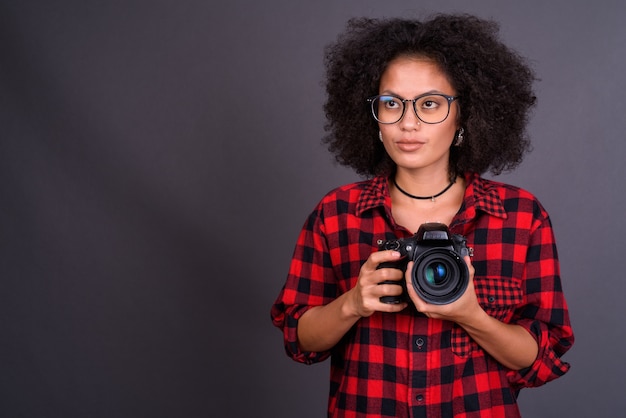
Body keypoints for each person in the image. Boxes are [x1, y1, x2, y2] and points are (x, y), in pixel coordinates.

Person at [271, 13, 574, 418]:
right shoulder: (336, 214)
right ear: (374, 116)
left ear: (464, 114)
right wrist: (353, 303)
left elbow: (541, 359)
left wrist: (471, 315)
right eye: (391, 103)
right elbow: (299, 340)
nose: (408, 123)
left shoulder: (519, 217)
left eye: (430, 104)